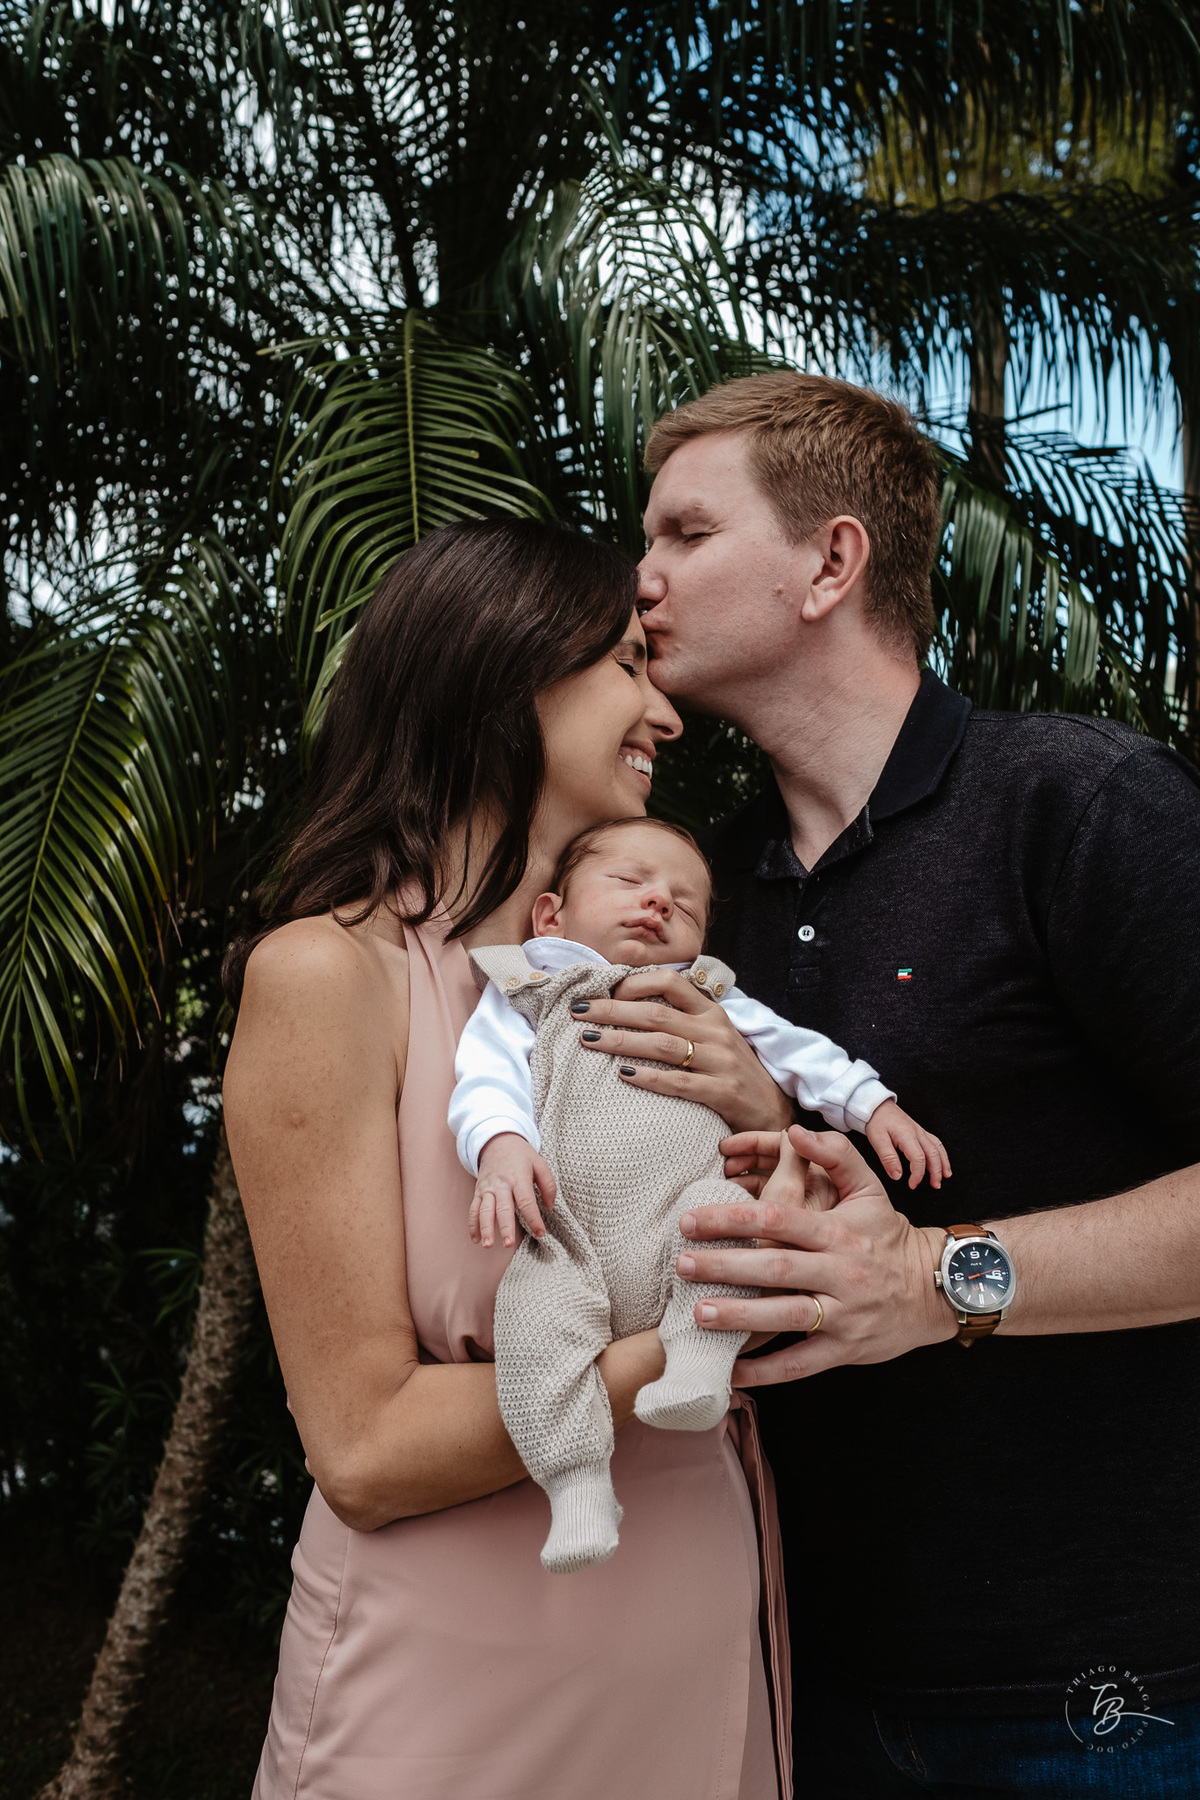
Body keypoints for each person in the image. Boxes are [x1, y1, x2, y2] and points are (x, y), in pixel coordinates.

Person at [569, 371, 1200, 1797]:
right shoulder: (691, 889)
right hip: (802, 1683)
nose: (641, 579)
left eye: (684, 533)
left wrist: (937, 1279)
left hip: (1114, 1703)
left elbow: (905, 1270)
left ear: (831, 563)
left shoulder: (1079, 807)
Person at [221, 519, 797, 1800]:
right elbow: (363, 1451)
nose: (669, 712)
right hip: (452, 1701)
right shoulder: (330, 975)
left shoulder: (677, 991)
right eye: (629, 666)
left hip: (699, 1656)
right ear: (508, 671)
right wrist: (691, 1341)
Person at [450, 815, 947, 1573]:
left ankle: (696, 1370)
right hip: (569, 1235)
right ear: (552, 915)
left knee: (731, 1228)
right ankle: (577, 1485)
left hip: (687, 1205)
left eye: (684, 904)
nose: (657, 904)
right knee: (530, 1323)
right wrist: (500, 1146)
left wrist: (872, 1104)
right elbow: (484, 1075)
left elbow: (795, 1051)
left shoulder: (702, 997)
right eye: (629, 882)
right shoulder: (532, 990)